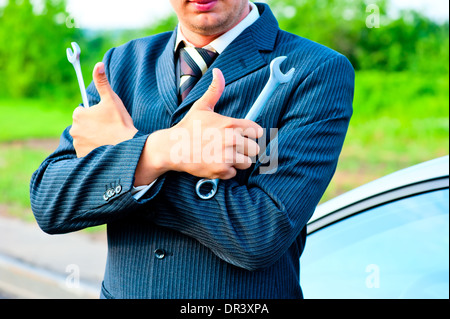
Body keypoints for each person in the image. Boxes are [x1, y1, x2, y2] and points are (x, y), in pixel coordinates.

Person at [30, 0, 354, 299]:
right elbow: (49, 200)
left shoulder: (317, 71)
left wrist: (136, 160)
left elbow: (260, 234)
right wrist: (158, 151)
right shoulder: (121, 64)